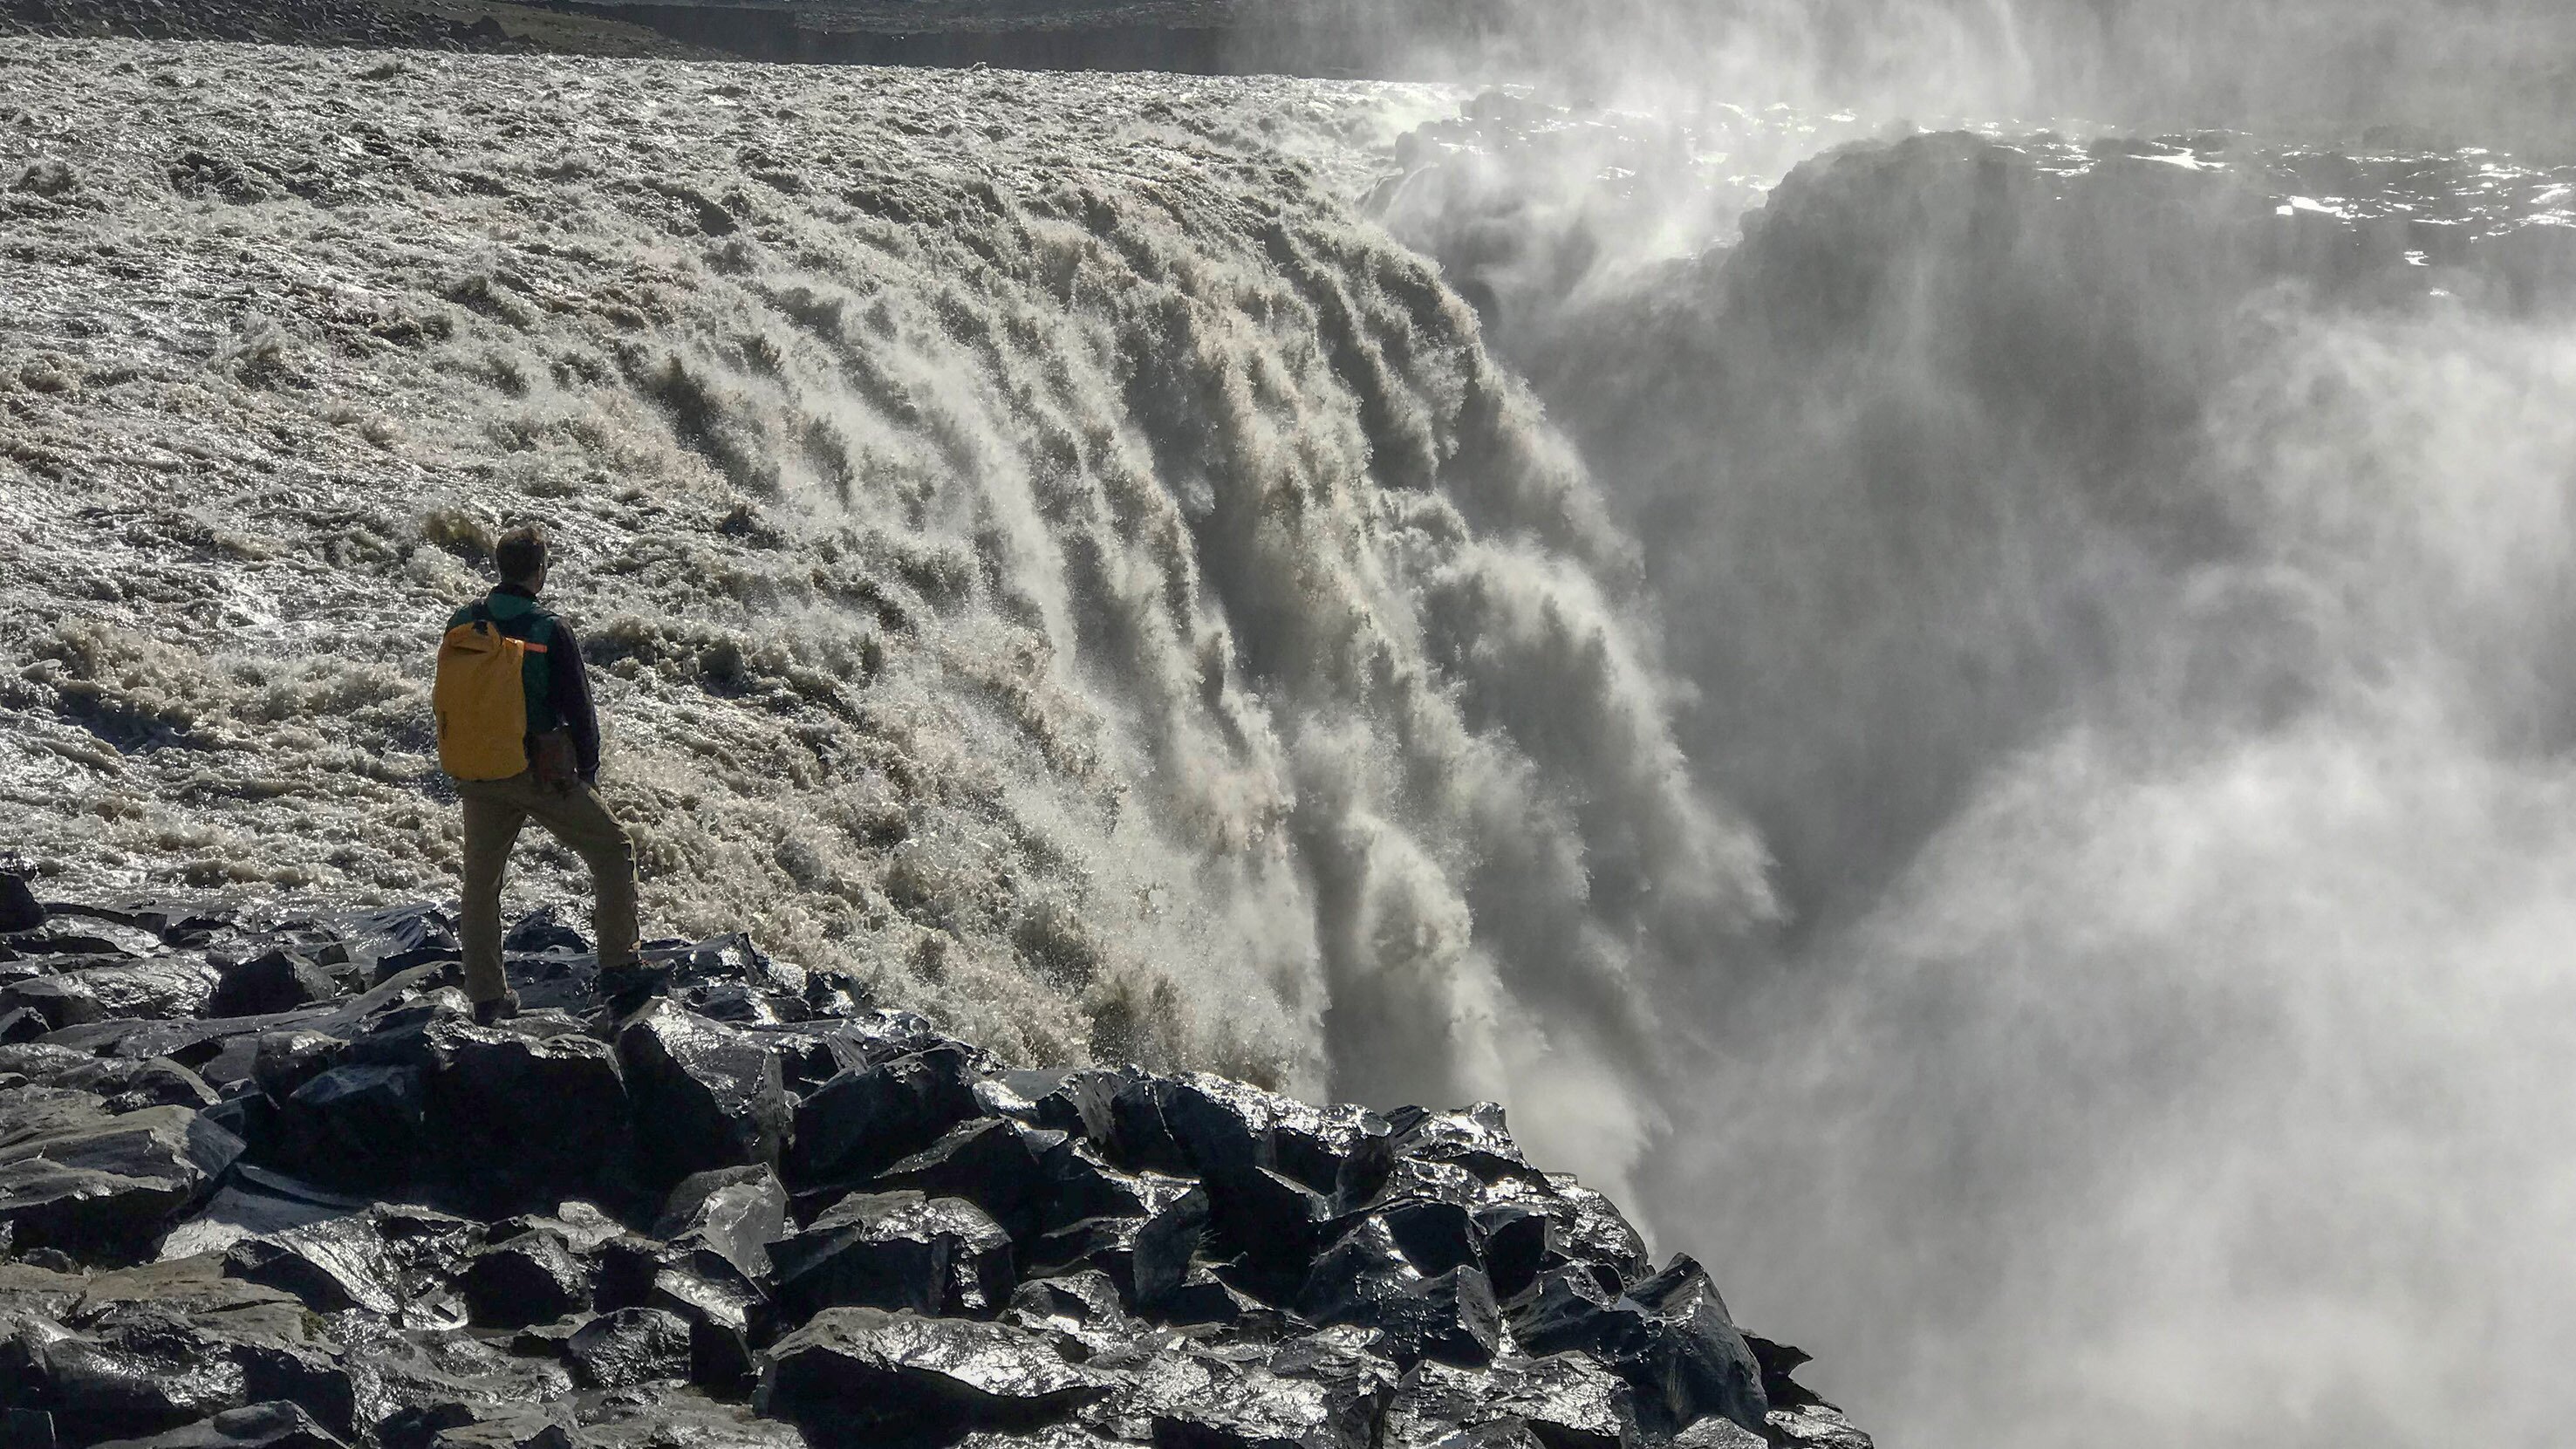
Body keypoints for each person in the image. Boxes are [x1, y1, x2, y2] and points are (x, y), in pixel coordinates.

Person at [441, 524, 642, 1025]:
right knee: (614, 851)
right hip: (540, 772)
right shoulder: (550, 628)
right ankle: (620, 969)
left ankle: (488, 997)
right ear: (540, 571)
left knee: (481, 885)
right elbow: (581, 710)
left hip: (480, 769)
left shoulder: (464, 620)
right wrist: (588, 773)